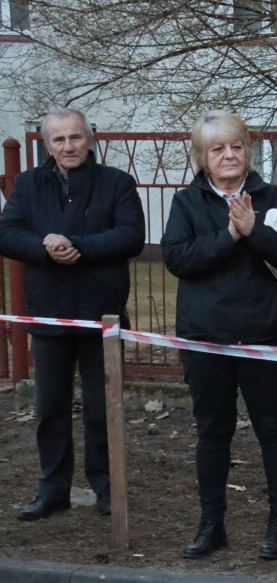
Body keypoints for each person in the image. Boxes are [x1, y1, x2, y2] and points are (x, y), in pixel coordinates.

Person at [162, 110, 277, 560]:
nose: (229, 155)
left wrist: (255, 231)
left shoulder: (270, 197)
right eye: (218, 149)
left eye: (236, 146)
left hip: (266, 334)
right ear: (203, 158)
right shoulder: (187, 203)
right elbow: (178, 259)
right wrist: (229, 235)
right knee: (212, 432)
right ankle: (212, 525)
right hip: (205, 337)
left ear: (248, 150)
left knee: (274, 429)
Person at [0, 108, 145, 521]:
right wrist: (45, 247)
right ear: (47, 145)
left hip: (101, 313)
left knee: (103, 408)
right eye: (59, 140)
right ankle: (53, 490)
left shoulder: (117, 182)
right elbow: (7, 233)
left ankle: (105, 487)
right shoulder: (28, 184)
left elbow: (131, 235)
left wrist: (75, 245)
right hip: (48, 312)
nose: (68, 146)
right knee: (50, 408)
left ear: (90, 139)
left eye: (75, 138)